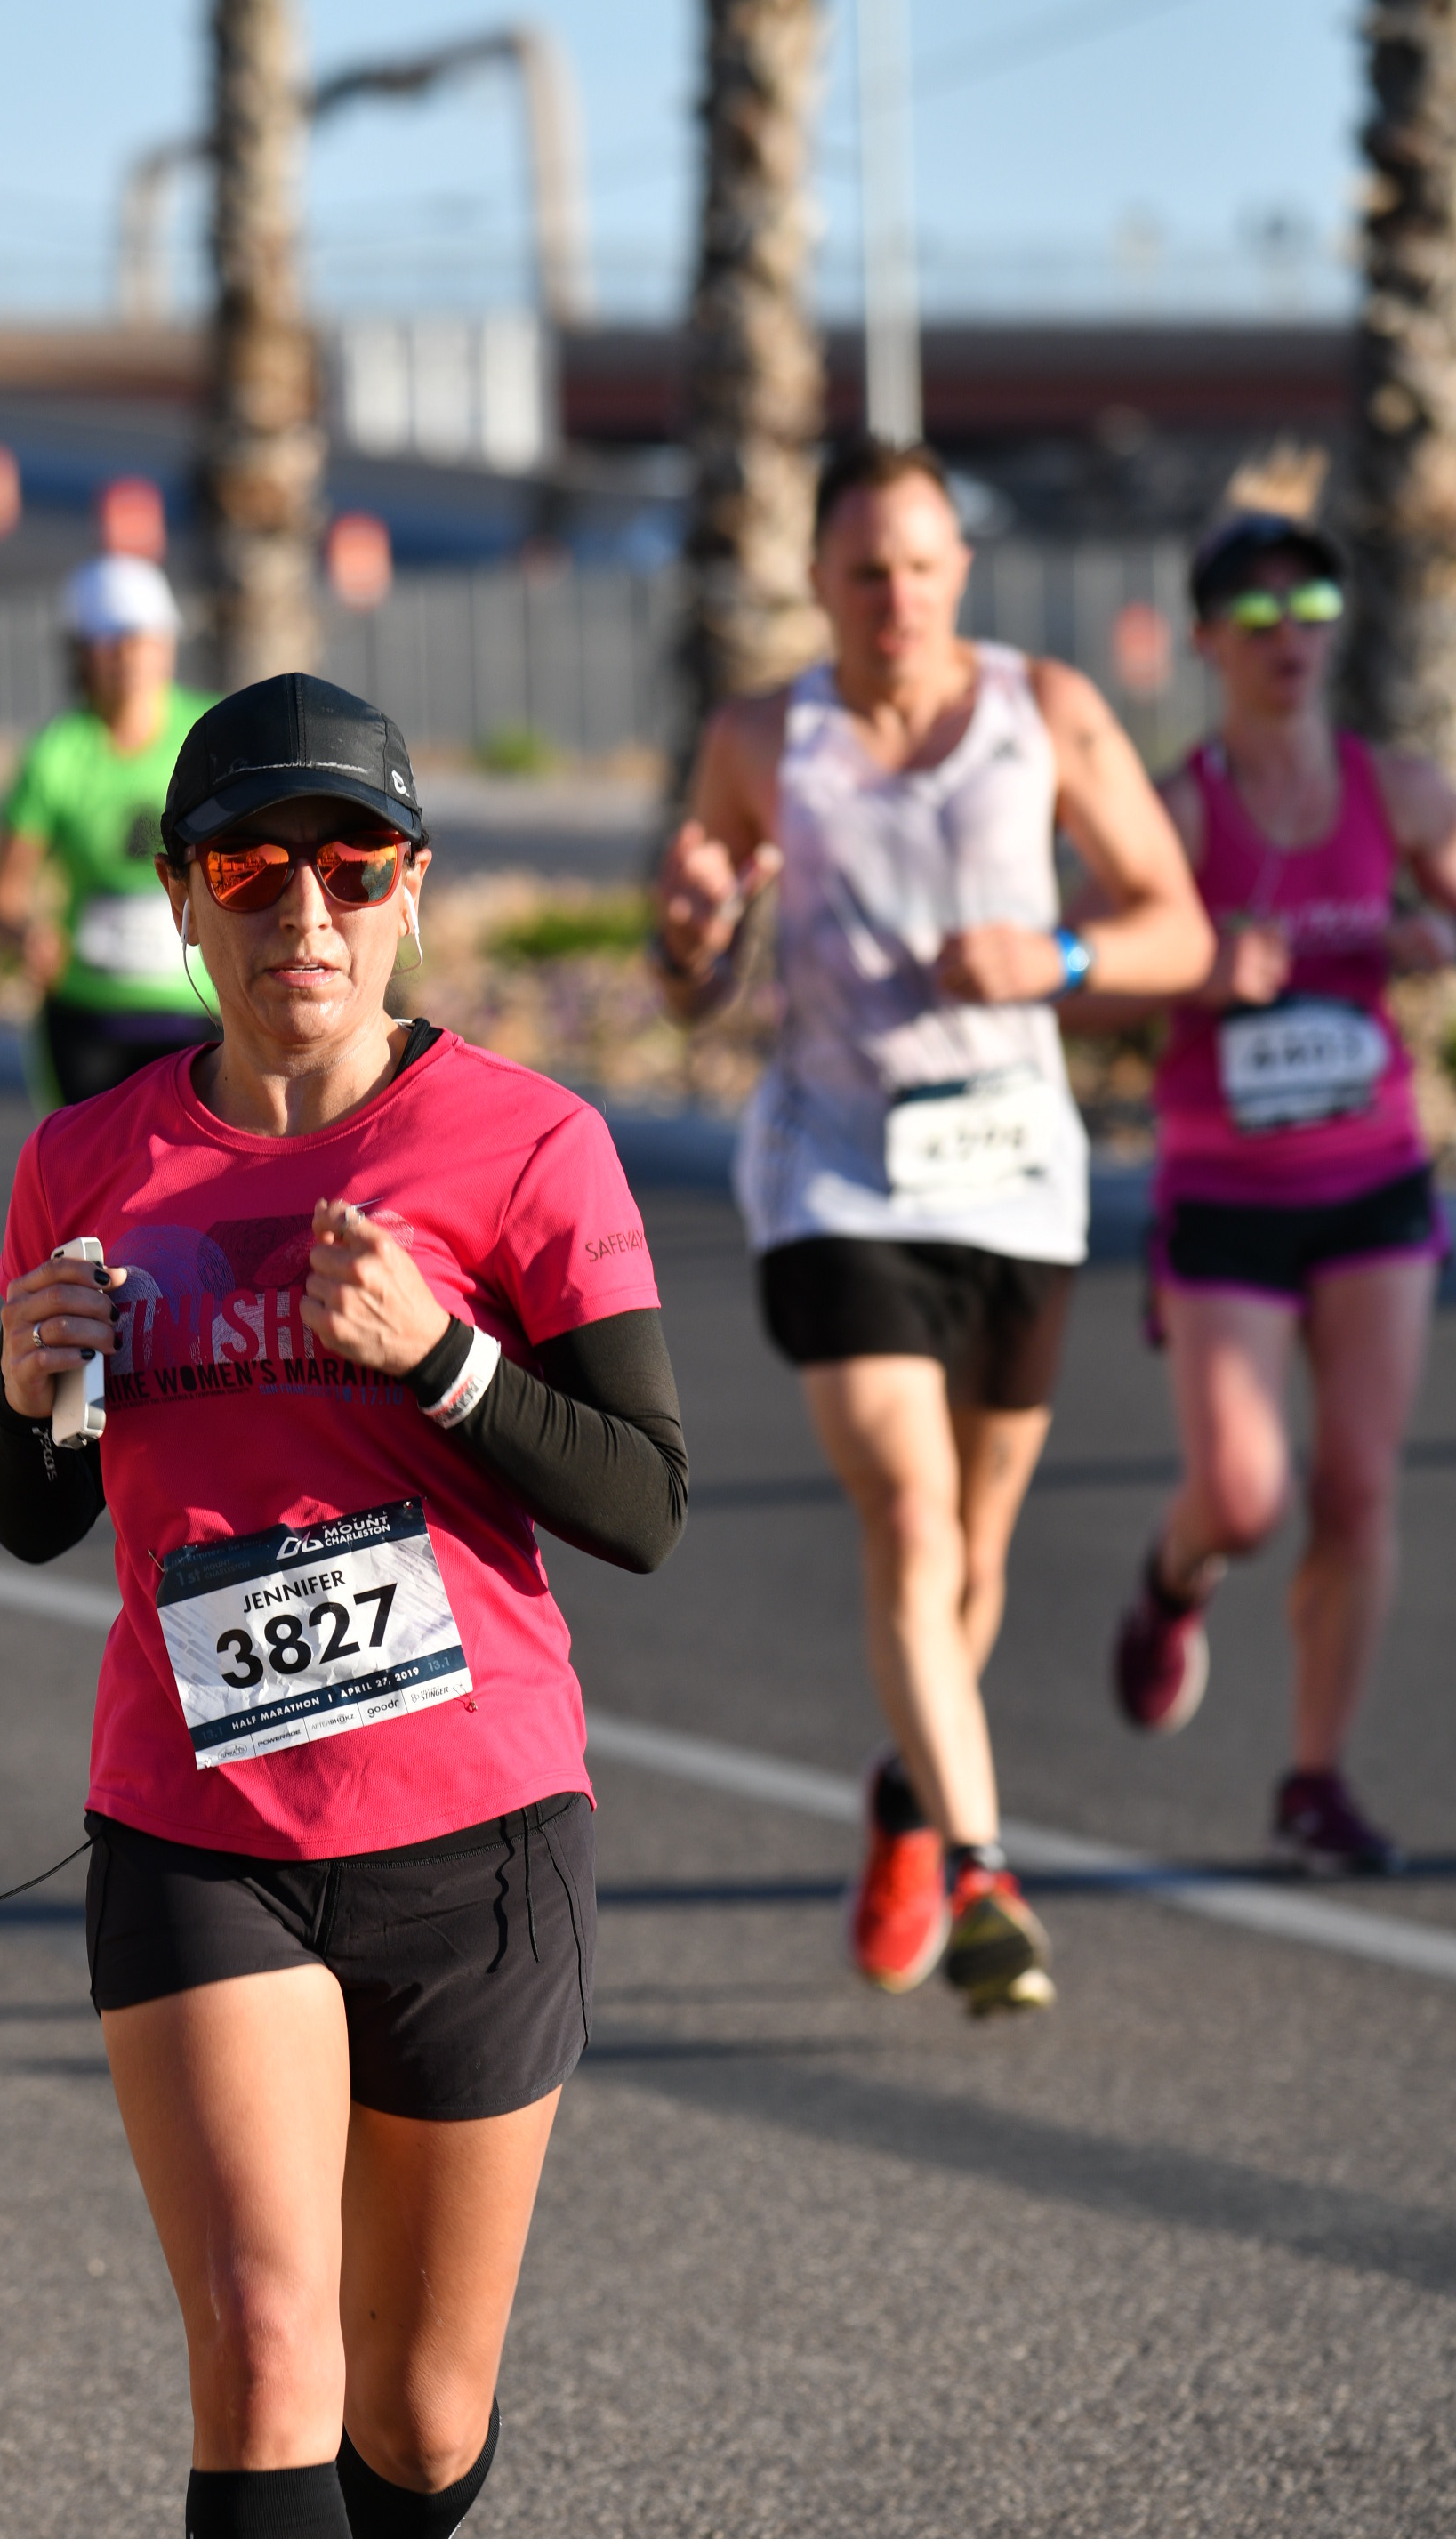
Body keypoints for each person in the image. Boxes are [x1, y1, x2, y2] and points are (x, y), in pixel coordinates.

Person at [0, 673, 688, 2539]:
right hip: (202, 1843)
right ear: (183, 902)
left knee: (428, 2408)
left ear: (410, 897)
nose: (304, 909)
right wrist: (24, 1394)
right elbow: (27, 1508)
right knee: (265, 2342)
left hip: (478, 1835)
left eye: (350, 866)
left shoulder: (526, 1142)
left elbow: (645, 1497)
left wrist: (448, 1363)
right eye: (251, 869)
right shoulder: (89, 1161)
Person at [653, 435, 1212, 2013]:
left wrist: (1059, 960)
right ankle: (982, 1873)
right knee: (909, 1515)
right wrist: (692, 934)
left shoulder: (1048, 712)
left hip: (1014, 1175)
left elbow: (1176, 927)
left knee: (975, 1552)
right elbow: (692, 979)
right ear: (817, 582)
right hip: (839, 1179)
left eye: (918, 566)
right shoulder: (763, 737)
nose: (895, 597)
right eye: (863, 572)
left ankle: (907, 1794)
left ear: (958, 570)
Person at [1086, 488, 1452, 1874]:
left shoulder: (1396, 791)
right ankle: (1173, 1578)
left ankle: (1314, 1778)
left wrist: (1432, 935)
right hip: (1228, 1197)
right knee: (1245, 1496)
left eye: (1311, 604)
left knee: (1357, 1490)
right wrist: (1192, 965)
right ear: (1207, 638)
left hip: (1374, 1186)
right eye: (1256, 608)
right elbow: (1073, 982)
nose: (1288, 631)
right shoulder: (1177, 812)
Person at [0, 554, 217, 1108]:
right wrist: (25, 935)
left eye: (143, 639)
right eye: (110, 643)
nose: (129, 658)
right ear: (81, 654)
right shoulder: (57, 754)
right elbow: (2, 892)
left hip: (198, 1009)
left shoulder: (209, 735)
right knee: (86, 1164)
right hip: (88, 1015)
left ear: (167, 645)